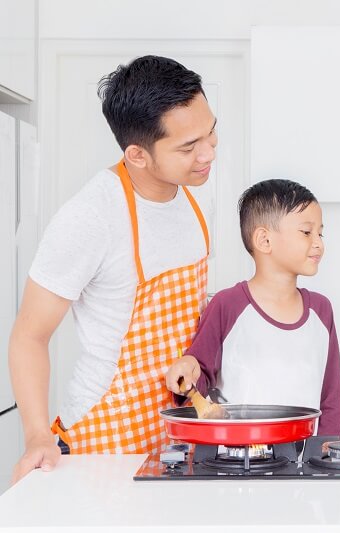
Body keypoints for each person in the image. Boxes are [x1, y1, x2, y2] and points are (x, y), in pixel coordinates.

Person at [8, 55, 217, 482]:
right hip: (105, 442)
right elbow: (29, 335)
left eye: (211, 132)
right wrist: (35, 435)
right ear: (137, 154)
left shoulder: (193, 193)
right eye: (188, 146)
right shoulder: (91, 216)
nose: (208, 153)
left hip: (178, 435)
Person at [164, 179, 340, 438]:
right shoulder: (227, 305)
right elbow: (199, 375)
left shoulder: (321, 310)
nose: (318, 243)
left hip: (305, 464)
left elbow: (331, 399)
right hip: (235, 462)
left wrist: (328, 454)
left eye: (320, 233)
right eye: (307, 232)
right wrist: (187, 369)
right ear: (264, 240)